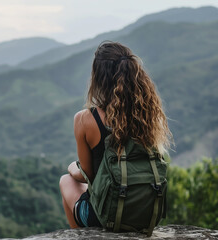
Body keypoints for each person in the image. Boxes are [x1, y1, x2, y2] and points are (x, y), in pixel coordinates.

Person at [59, 41, 172, 228]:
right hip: (145, 213)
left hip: (107, 216)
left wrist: (72, 167)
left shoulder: (85, 119)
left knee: (66, 180)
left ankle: (79, 235)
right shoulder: (148, 116)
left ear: (98, 78)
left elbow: (86, 175)